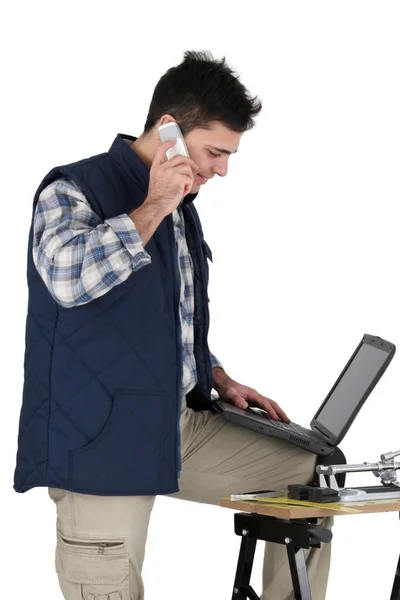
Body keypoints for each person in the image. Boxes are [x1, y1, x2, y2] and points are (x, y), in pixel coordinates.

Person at [14, 50, 332, 600]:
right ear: (170, 133)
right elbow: (66, 279)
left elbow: (158, 317)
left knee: (310, 474)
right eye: (216, 152)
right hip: (101, 441)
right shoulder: (74, 190)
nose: (223, 169)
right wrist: (154, 204)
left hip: (177, 423)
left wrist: (217, 375)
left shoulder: (180, 206)